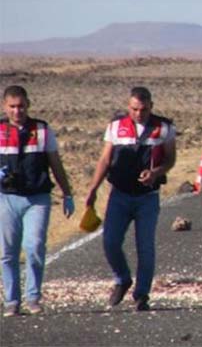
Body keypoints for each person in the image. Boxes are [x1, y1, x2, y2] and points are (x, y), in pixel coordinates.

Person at [85, 87, 176, 311]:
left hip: (148, 197)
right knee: (110, 241)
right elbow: (105, 160)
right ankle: (122, 279)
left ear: (151, 107)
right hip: (119, 195)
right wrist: (93, 188)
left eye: (143, 110)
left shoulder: (163, 127)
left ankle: (142, 294)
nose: (139, 114)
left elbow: (171, 159)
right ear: (129, 107)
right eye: (134, 109)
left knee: (145, 247)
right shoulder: (116, 126)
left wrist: (156, 173)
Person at [0, 85, 74, 317]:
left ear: (28, 105)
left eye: (21, 105)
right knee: (7, 252)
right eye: (12, 106)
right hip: (7, 198)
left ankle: (33, 297)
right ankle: (11, 301)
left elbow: (55, 163)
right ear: (5, 106)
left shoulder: (42, 130)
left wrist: (67, 193)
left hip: (37, 198)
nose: (17, 111)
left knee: (34, 246)